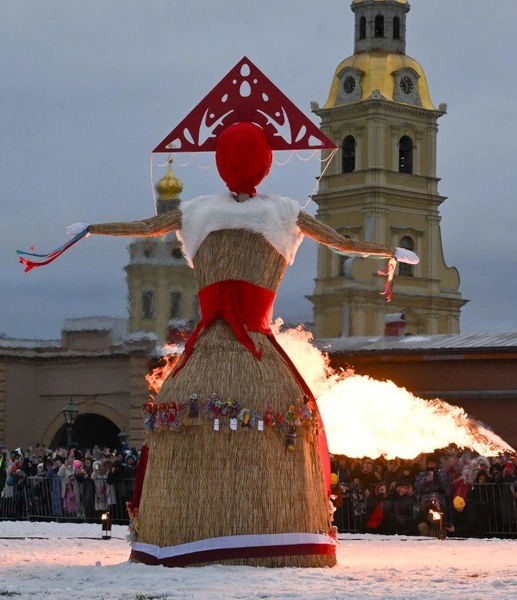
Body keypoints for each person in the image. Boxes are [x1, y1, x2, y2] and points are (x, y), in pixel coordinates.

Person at [19, 60, 419, 567]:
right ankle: (280, 532)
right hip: (259, 359)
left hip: (205, 355)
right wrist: (384, 252)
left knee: (183, 423)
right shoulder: (283, 213)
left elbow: (144, 225)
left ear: (220, 160)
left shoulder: (197, 213)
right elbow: (341, 240)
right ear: (267, 163)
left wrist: (91, 229)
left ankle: (182, 532)